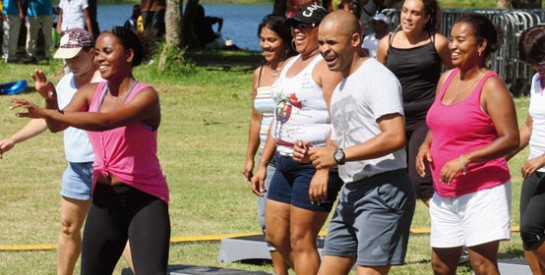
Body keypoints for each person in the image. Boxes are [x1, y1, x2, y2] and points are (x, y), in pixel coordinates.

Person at [10, 26, 170, 274]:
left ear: (128, 55)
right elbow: (58, 125)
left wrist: (45, 112)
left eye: (106, 51)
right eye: (97, 53)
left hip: (143, 198)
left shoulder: (146, 96)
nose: (99, 59)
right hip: (105, 198)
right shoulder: (89, 92)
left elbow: (106, 121)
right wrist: (51, 100)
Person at [293, 10, 416, 275]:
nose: (324, 49)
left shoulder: (377, 78)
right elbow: (340, 139)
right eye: (322, 42)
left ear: (356, 40)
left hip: (383, 188)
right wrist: (316, 155)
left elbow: (395, 136)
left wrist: (339, 156)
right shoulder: (341, 86)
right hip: (352, 189)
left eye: (332, 43)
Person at [416, 14, 519, 275]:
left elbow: (511, 138)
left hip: (483, 190)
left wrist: (466, 159)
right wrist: (425, 145)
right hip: (445, 191)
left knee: (482, 266)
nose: (452, 45)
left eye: (461, 40)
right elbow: (439, 122)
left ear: (481, 45)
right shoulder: (446, 79)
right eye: (451, 39)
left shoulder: (491, 86)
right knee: (440, 265)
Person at [251, 4, 343, 275]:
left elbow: (339, 118)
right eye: (295, 26)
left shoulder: (327, 66)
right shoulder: (291, 63)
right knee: (275, 236)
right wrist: (263, 163)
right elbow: (280, 117)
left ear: (322, 30)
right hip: (284, 159)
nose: (298, 31)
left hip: (313, 163)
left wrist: (325, 167)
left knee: (301, 239)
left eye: (306, 26)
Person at [377, 0, 452, 206]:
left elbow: (457, 75)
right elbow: (376, 81)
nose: (408, 17)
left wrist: (447, 107)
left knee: (420, 181)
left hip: (425, 119)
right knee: (392, 182)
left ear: (426, 17)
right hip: (393, 119)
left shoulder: (437, 42)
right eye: (405, 11)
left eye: (415, 13)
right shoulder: (386, 43)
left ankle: (447, 224)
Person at [242, 14, 295, 275]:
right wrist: (250, 157)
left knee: (290, 224)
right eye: (262, 40)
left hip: (288, 152)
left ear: (285, 42)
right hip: (265, 155)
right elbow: (256, 118)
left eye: (271, 40)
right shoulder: (259, 73)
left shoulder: (294, 70)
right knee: (267, 222)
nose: (265, 45)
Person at [510, 25, 545, 275]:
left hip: (542, 164)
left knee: (531, 228)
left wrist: (543, 158)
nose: (536, 67)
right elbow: (529, 127)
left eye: (540, 61)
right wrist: (501, 156)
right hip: (536, 168)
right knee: (528, 236)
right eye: (531, 62)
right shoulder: (536, 82)